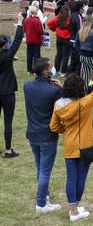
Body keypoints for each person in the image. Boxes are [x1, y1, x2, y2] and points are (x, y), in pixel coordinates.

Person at [49, 54, 93, 221]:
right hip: (86, 145)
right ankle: (74, 211)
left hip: (70, 145)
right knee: (81, 177)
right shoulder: (85, 103)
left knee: (71, 177)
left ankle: (73, 208)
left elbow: (54, 127)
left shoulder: (58, 105)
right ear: (80, 89)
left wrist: (67, 129)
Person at [24, 57, 63, 213]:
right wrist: (60, 88)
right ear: (47, 72)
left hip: (33, 133)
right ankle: (41, 203)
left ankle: (44, 195)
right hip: (47, 135)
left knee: (40, 167)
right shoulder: (54, 90)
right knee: (45, 170)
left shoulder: (27, 86)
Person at [0, 14, 24, 158]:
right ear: (4, 45)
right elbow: (17, 40)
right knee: (8, 121)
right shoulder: (7, 56)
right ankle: (8, 149)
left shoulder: (7, 56)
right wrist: (20, 23)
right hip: (7, 91)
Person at [48, 5, 72, 77]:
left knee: (58, 54)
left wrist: (55, 29)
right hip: (67, 39)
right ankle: (63, 72)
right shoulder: (69, 19)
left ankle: (56, 70)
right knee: (65, 55)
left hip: (59, 38)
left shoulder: (57, 18)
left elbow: (49, 24)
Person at [23, 5, 44, 73]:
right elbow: (40, 31)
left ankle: (29, 70)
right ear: (36, 12)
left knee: (29, 55)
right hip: (36, 40)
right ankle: (36, 70)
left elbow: (24, 29)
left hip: (29, 40)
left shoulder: (26, 20)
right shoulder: (37, 20)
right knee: (36, 56)